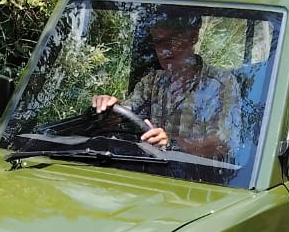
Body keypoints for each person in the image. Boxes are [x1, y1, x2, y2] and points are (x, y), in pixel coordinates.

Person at [91, 11, 242, 158]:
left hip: (197, 172)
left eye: (172, 41)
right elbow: (127, 113)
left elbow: (223, 143)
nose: (164, 51)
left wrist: (172, 144)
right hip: (147, 167)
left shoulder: (221, 83)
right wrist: (109, 109)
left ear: (193, 37)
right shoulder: (151, 82)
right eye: (158, 42)